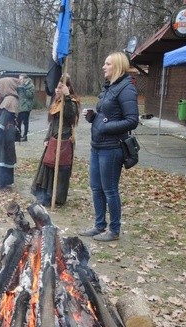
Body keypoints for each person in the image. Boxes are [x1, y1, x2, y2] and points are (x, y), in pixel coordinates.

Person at [78, 51, 139, 242]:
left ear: (118, 66)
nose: (104, 67)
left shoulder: (126, 89)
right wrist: (93, 117)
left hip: (112, 148)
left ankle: (114, 230)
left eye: (108, 64)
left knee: (110, 189)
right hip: (97, 146)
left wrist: (105, 126)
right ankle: (99, 226)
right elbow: (106, 115)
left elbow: (132, 120)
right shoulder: (108, 88)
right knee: (96, 188)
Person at [31, 75, 80, 207]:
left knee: (61, 170)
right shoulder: (56, 102)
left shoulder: (72, 102)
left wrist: (67, 97)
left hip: (64, 140)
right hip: (53, 139)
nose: (57, 90)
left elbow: (70, 117)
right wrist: (47, 138)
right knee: (47, 167)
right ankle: (46, 195)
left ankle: (57, 198)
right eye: (57, 87)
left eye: (60, 87)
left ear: (67, 87)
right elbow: (53, 124)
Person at [0, 77, 19, 189]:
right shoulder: (11, 98)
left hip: (4, 133)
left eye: (0, 86)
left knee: (1, 156)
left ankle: (0, 181)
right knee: (6, 156)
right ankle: (6, 180)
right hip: (8, 132)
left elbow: (4, 118)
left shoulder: (9, 100)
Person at [16, 73, 35, 141]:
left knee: (25, 122)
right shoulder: (19, 85)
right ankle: (18, 135)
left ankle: (25, 136)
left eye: (21, 79)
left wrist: (24, 89)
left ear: (25, 79)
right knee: (18, 122)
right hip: (19, 106)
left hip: (26, 107)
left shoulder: (31, 85)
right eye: (19, 79)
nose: (20, 80)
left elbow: (31, 96)